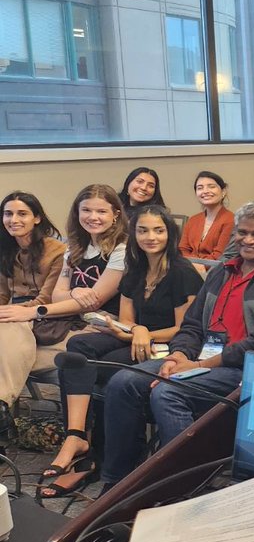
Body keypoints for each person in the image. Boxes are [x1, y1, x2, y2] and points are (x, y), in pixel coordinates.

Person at [101, 201, 254, 487]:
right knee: (122, 382)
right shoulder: (222, 272)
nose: (248, 240)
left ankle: (182, 485)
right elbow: (192, 324)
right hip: (198, 360)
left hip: (244, 369)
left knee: (168, 392)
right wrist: (177, 356)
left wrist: (198, 365)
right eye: (242, 232)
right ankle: (118, 482)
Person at [43, 205, 201, 498]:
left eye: (158, 230)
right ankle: (77, 436)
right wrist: (135, 330)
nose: (150, 237)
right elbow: (127, 320)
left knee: (100, 369)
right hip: (134, 337)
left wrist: (144, 333)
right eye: (143, 230)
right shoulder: (135, 267)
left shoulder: (182, 272)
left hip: (167, 345)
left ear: (170, 233)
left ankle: (103, 459)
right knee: (78, 348)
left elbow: (185, 327)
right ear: (133, 234)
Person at [0, 185, 125, 425]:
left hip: (100, 325)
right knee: (10, 347)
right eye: (86, 210)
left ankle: (3, 407)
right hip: (65, 320)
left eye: (101, 211)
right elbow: (59, 296)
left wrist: (34, 311)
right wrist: (75, 292)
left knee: (10, 344)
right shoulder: (75, 248)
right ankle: (3, 408)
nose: (93, 217)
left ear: (116, 214)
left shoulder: (121, 251)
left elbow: (93, 301)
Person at [0, 191, 65, 450]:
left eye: (22, 213)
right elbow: (2, 294)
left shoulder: (57, 251)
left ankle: (2, 404)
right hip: (12, 312)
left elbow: (47, 299)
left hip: (43, 313)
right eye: (8, 214)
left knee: (10, 326)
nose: (13, 219)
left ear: (37, 218)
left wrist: (15, 312)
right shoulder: (5, 248)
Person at [179, 171, 234, 263]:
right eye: (200, 188)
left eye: (211, 187)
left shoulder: (231, 220)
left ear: (223, 191)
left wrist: (200, 266)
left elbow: (220, 255)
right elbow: (182, 249)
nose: (205, 191)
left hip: (215, 268)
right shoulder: (193, 220)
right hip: (188, 266)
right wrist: (190, 265)